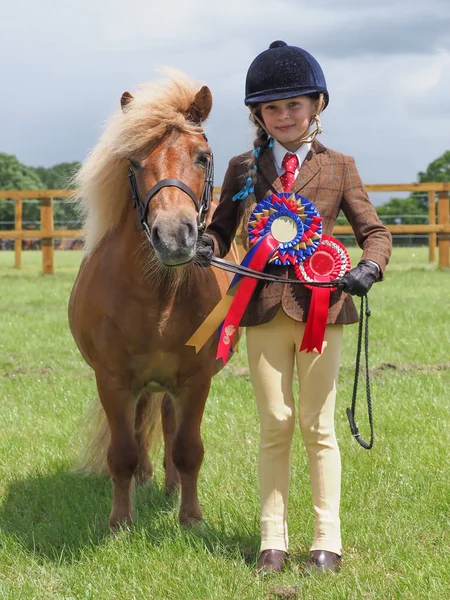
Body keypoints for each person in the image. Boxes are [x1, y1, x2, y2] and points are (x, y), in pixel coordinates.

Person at [196, 40, 392, 574]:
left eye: (294, 105)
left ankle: (327, 539)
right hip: (260, 310)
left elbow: (373, 231)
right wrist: (204, 247)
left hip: (322, 311)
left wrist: (368, 268)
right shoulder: (242, 168)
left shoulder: (340, 168)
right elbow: (218, 232)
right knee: (275, 422)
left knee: (317, 424)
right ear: (258, 114)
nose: (284, 116)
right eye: (273, 108)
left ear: (317, 106)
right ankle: (272, 540)